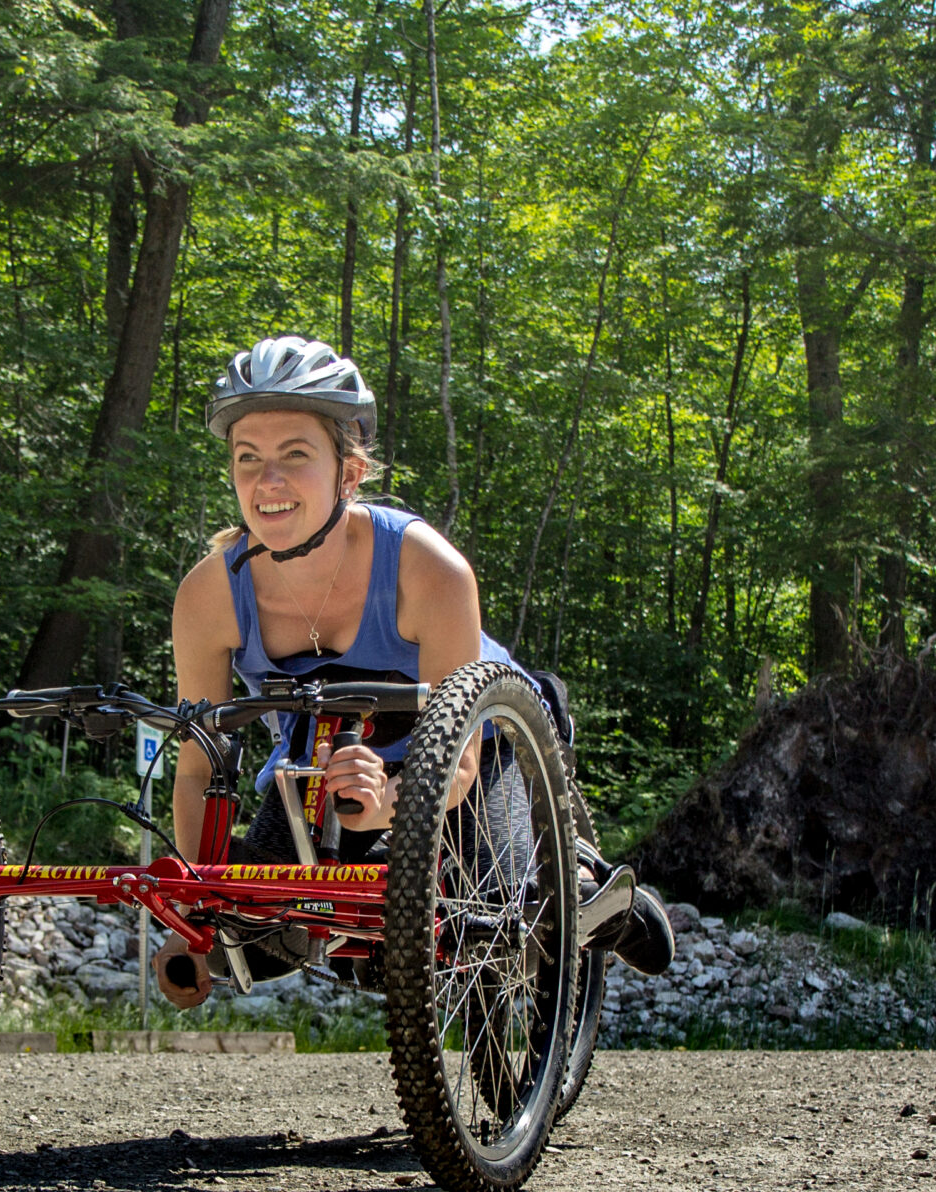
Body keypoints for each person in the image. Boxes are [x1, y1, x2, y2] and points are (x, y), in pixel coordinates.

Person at [155, 335, 672, 1005]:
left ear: (349, 471)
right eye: (247, 458)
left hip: (474, 754)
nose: (267, 482)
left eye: (294, 456)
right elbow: (199, 769)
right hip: (323, 773)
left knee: (510, 921)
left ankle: (587, 888)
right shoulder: (209, 597)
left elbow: (457, 760)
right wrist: (200, 912)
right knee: (251, 942)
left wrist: (392, 804)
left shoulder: (428, 568)